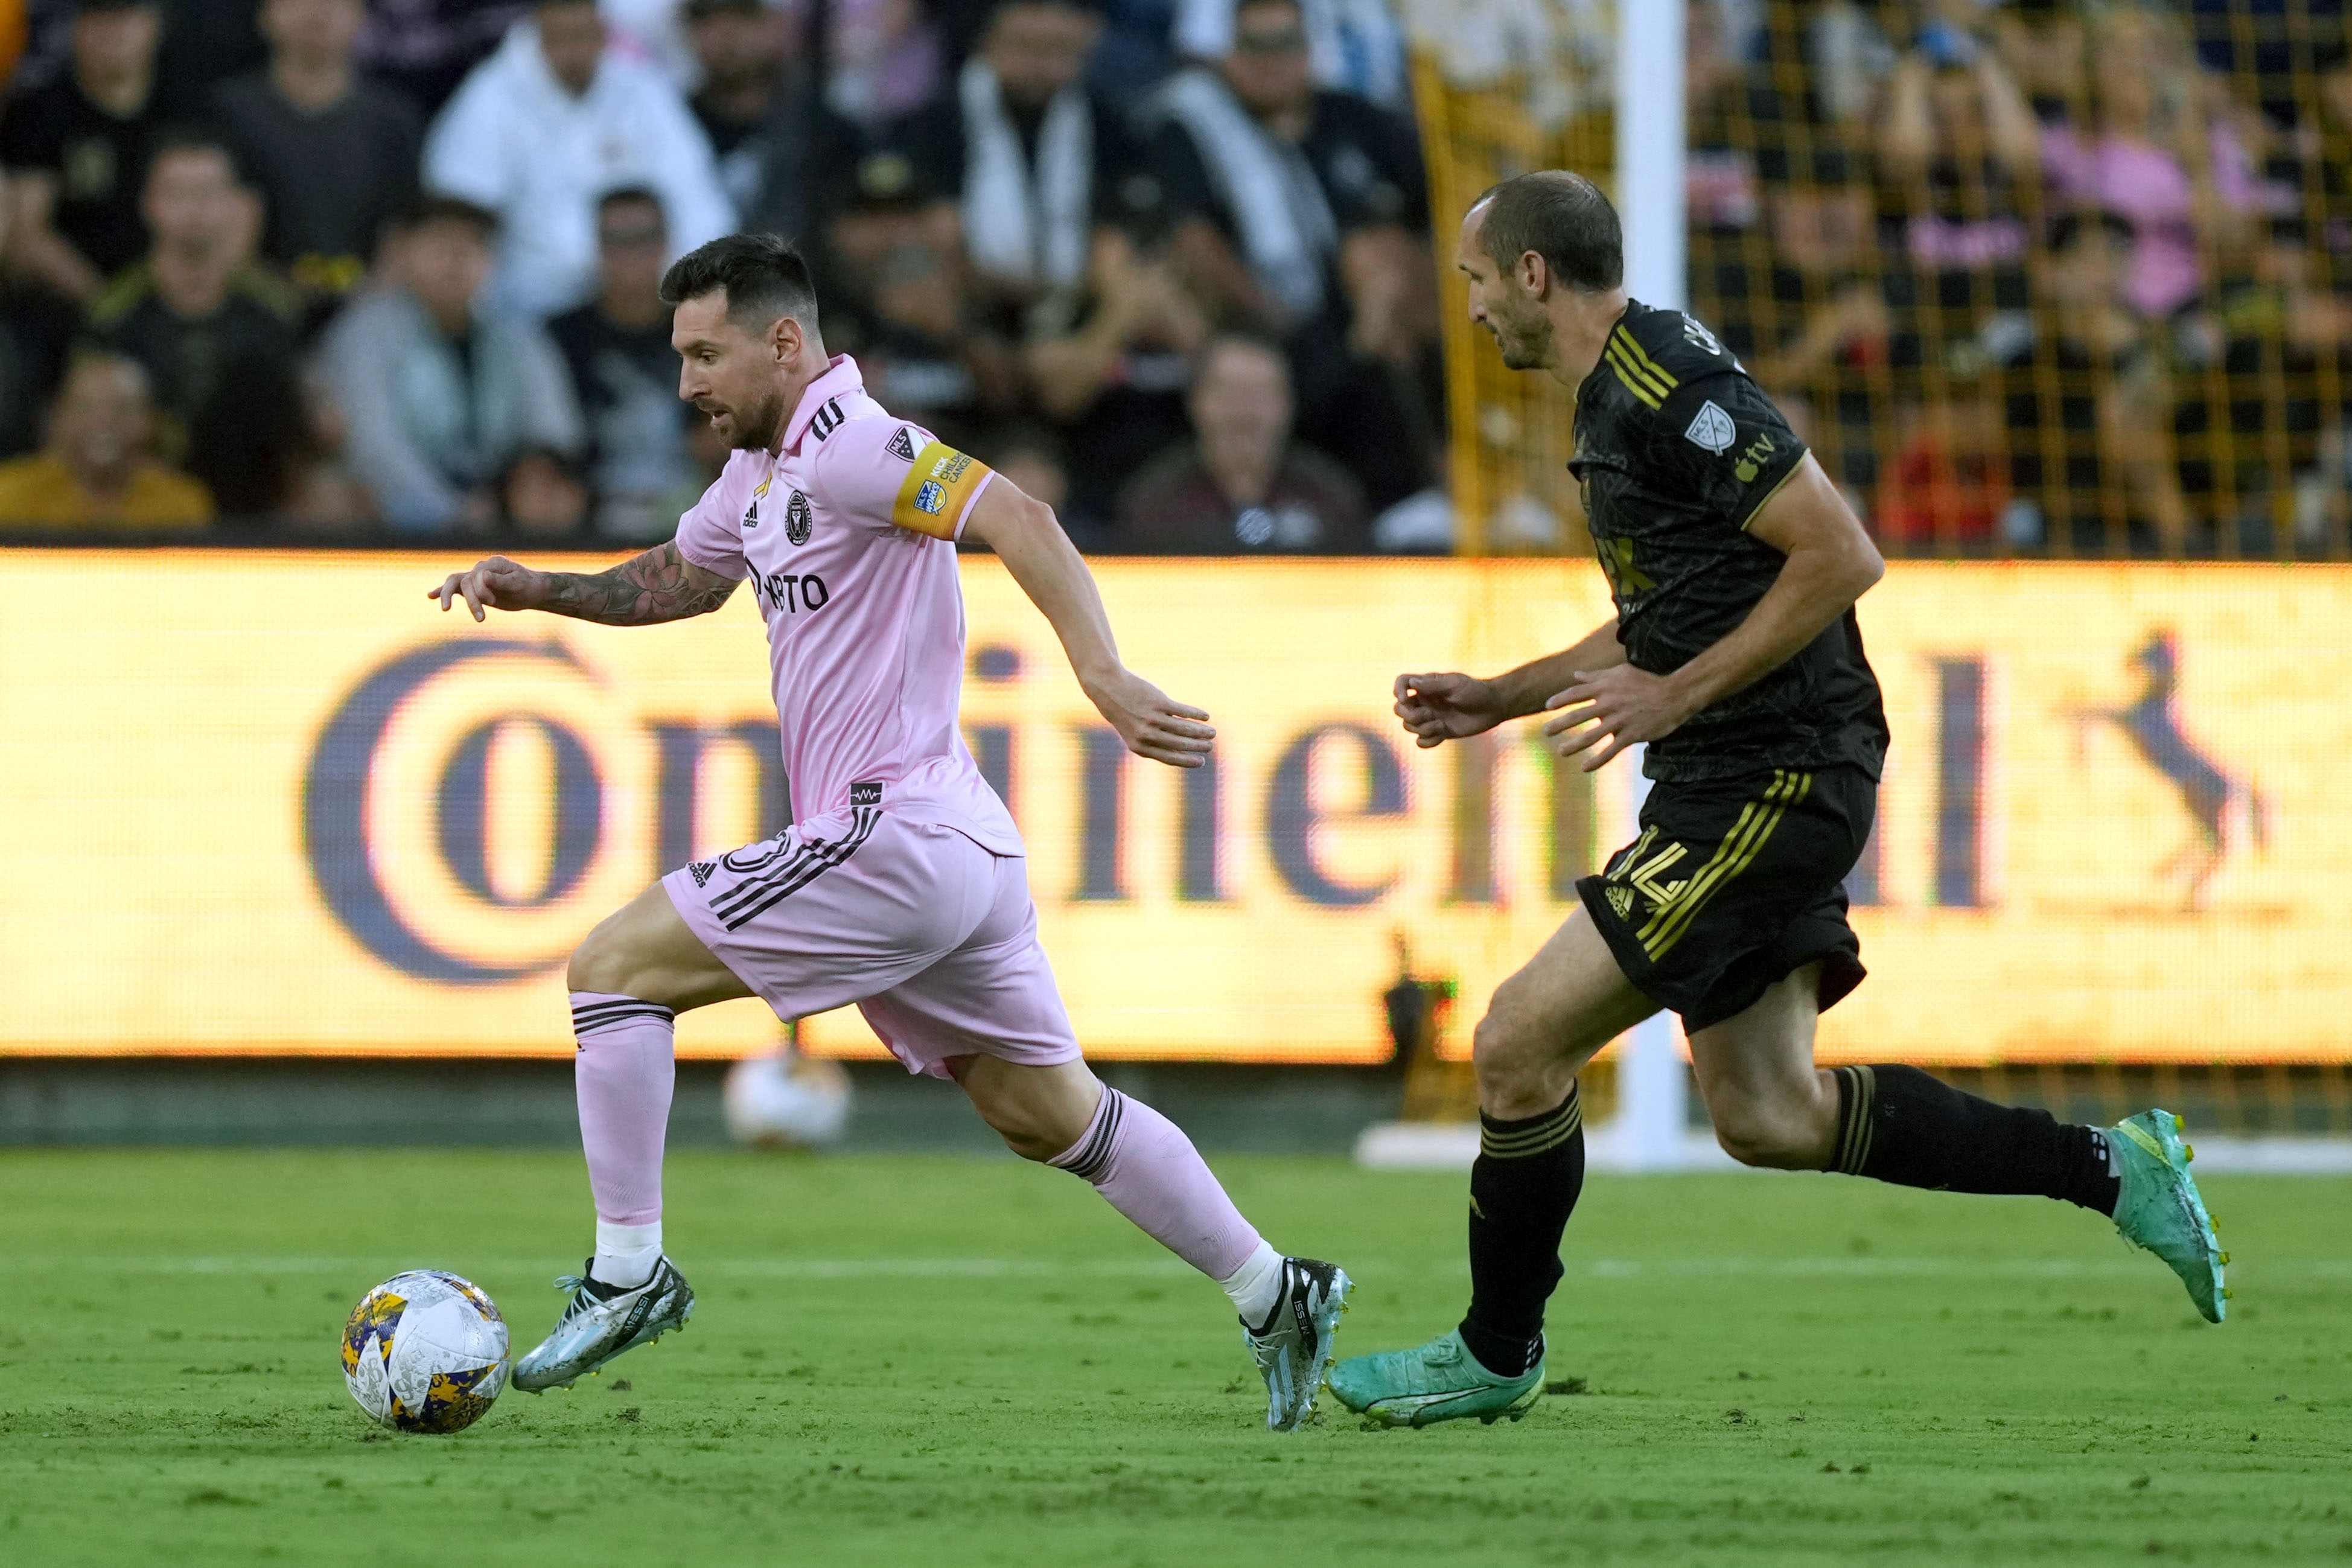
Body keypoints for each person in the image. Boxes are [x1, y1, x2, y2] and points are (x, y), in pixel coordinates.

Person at [1327, 171, 2226, 1429]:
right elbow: (1675, 604)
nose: (1470, 308)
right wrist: (1502, 696)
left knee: (1519, 1042)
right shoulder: (1618, 389)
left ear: (1533, 275)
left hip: (1773, 772)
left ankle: (1494, 1350)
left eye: (1478, 281)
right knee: (1768, 1115)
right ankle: (2111, 1169)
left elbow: (1841, 552)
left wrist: (1678, 697)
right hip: (1742, 766)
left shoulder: (1670, 390)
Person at [425, 232, 1352, 1430]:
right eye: (678, 358)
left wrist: (1104, 676)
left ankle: (627, 1273)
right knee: (1046, 1114)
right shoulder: (757, 478)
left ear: (783, 341)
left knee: (610, 971)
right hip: (957, 844)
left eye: (705, 355)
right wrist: (539, 587)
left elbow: (1016, 511)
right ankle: (1276, 1289)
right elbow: (678, 579)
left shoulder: (855, 446)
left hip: (893, 830)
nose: (686, 384)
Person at [422, 0, 734, 316]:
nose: (574, 50)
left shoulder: (642, 88)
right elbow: (458, 222)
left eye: (584, 35)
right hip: (532, 314)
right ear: (538, 32)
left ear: (603, 33)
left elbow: (701, 207)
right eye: (561, 36)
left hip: (653, 305)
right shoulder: (488, 101)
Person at [320, 194, 581, 530]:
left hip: (502, 518)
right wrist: (449, 512)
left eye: (472, 246)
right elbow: (375, 443)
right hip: (393, 522)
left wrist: (512, 498)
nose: (456, 260)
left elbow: (555, 434)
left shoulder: (518, 338)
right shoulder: (366, 332)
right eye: (440, 244)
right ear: (404, 252)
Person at [83, 129, 308, 518]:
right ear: (149, 203)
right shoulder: (114, 314)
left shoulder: (274, 309)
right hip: (143, 509)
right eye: (177, 195)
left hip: (258, 513)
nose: (193, 211)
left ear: (234, 205)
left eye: (207, 194)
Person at [888, 0, 1161, 311]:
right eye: (1025, 47)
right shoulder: (937, 119)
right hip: (974, 296)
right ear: (988, 45)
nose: (1040, 65)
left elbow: (1117, 228)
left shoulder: (1107, 122)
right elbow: (936, 225)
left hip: (1081, 299)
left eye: (1058, 49)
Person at [211, 0, 425, 307]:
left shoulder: (394, 120)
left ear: (362, 16)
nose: (317, 12)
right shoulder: (228, 115)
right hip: (250, 308)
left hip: (366, 315)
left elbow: (404, 232)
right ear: (265, 14)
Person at [1112, 330, 1362, 552]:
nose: (1244, 412)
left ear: (1287, 405)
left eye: (1260, 394)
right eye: (1229, 392)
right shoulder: (1157, 503)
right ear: (1196, 403)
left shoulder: (1329, 497)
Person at [547, 187, 703, 541]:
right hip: (584, 522)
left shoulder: (704, 329)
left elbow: (721, 443)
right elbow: (551, 447)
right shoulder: (559, 336)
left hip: (696, 513)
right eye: (616, 239)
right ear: (597, 247)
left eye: (644, 238)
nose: (631, 253)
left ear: (667, 244)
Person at [0, 0, 170, 306]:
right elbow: (26, 237)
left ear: (154, 27)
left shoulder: (182, 105)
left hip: (177, 295)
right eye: (98, 22)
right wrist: (110, 306)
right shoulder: (41, 112)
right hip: (70, 302)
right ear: (76, 30)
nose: (112, 35)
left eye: (125, 20)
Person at [0, 349, 212, 529]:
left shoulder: (181, 503)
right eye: (85, 408)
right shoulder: (9, 494)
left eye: (123, 409)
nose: (103, 422)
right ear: (57, 420)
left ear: (149, 421)